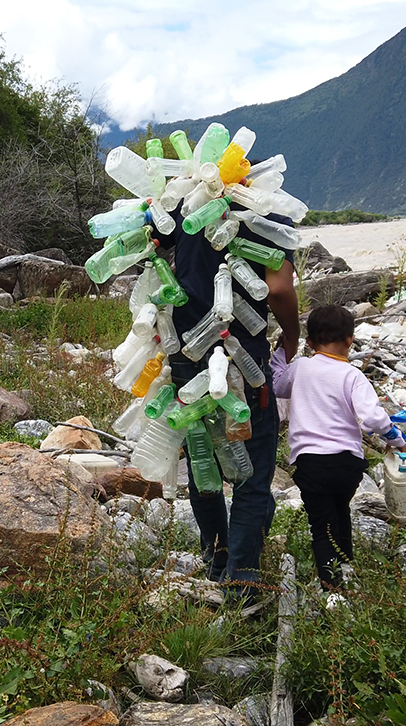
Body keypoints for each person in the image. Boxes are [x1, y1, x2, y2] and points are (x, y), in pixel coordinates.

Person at [154, 201, 299, 598]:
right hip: (242, 356)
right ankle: (242, 578)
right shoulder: (269, 217)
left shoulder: (184, 210)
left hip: (185, 357)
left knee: (205, 463)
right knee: (251, 474)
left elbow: (156, 256)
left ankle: (216, 559)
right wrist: (291, 336)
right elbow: (281, 288)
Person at [269, 305, 405, 590]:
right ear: (350, 340)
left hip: (310, 462)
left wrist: (279, 356)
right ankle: (345, 567)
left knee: (321, 523)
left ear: (309, 343)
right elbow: (371, 417)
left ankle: (332, 588)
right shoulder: (352, 375)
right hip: (347, 464)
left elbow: (279, 386)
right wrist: (395, 439)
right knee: (340, 509)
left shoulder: (301, 367)